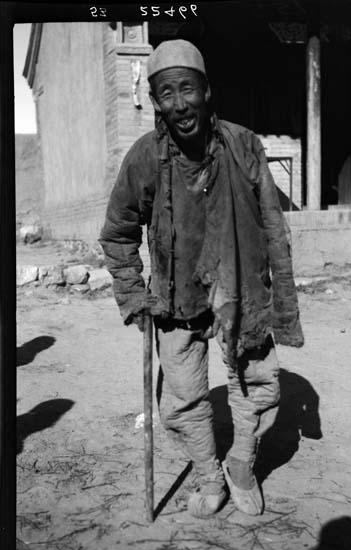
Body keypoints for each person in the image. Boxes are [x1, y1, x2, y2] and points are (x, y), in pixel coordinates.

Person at [100, 39, 304, 519]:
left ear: (207, 90)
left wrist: (282, 302)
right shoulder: (145, 157)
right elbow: (118, 232)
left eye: (187, 89)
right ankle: (209, 476)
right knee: (183, 398)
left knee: (259, 384)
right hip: (175, 297)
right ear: (154, 102)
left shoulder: (244, 144)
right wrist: (134, 294)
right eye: (165, 94)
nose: (179, 104)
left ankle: (240, 464)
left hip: (241, 292)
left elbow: (275, 227)